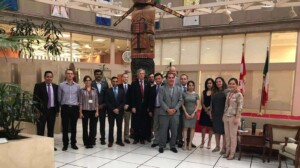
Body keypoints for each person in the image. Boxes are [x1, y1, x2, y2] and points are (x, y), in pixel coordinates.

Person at [33, 71, 59, 151]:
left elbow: (57, 99)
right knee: (40, 129)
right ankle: (40, 146)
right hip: (41, 112)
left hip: (52, 111)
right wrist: (36, 111)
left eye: (50, 77)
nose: (49, 78)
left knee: (51, 129)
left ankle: (50, 145)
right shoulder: (38, 86)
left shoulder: (55, 86)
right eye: (47, 76)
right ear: (44, 77)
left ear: (52, 77)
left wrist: (57, 110)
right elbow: (35, 99)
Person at [158, 72, 183, 153]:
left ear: (174, 79)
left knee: (174, 130)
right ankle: (162, 145)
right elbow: (161, 100)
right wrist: (167, 109)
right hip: (164, 113)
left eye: (172, 77)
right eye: (169, 77)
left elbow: (180, 100)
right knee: (163, 130)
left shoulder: (179, 89)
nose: (171, 79)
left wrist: (175, 109)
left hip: (175, 113)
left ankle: (172, 146)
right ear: (166, 78)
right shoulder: (162, 88)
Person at [58, 69, 81, 151]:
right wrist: (62, 106)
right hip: (65, 107)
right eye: (68, 73)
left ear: (73, 75)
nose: (70, 75)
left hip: (74, 108)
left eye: (71, 74)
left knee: (74, 127)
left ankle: (73, 143)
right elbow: (59, 98)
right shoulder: (61, 85)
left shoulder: (77, 86)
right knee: (65, 127)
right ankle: (65, 144)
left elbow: (79, 97)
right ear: (65, 75)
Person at [223, 78, 243, 160]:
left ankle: (232, 153)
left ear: (236, 85)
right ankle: (227, 151)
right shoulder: (228, 94)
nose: (231, 85)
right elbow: (226, 106)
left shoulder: (239, 94)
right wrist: (223, 115)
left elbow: (240, 107)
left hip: (233, 117)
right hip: (226, 116)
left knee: (233, 136)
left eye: (233, 84)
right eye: (230, 84)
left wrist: (237, 117)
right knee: (227, 136)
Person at [130, 68, 151, 144]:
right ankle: (136, 138)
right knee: (136, 123)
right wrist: (133, 106)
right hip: (136, 107)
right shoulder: (134, 83)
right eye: (140, 73)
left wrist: (149, 107)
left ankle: (142, 138)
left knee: (143, 123)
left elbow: (149, 96)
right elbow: (132, 96)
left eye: (143, 73)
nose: (142, 75)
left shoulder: (147, 83)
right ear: (138, 75)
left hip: (145, 108)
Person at [79, 75, 99, 149]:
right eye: (86, 80)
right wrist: (80, 112)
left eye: (89, 80)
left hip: (93, 111)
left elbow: (97, 102)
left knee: (92, 127)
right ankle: (86, 142)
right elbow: (80, 102)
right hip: (85, 110)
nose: (88, 82)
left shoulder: (95, 90)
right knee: (85, 127)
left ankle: (91, 141)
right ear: (84, 81)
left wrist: (97, 111)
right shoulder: (81, 90)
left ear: (91, 81)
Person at [106, 77, 126, 147]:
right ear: (111, 82)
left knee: (119, 126)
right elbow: (107, 102)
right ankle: (110, 141)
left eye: (116, 81)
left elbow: (123, 102)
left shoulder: (122, 90)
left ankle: (119, 140)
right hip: (111, 112)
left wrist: (118, 109)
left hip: (119, 112)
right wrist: (113, 109)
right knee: (111, 127)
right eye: (113, 81)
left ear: (118, 82)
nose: (115, 83)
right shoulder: (108, 91)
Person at [211, 77, 228, 154]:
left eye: (220, 81)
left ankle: (224, 148)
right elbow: (212, 103)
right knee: (216, 131)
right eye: (217, 82)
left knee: (224, 131)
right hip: (215, 114)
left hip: (223, 113)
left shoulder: (227, 91)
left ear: (223, 82)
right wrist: (211, 112)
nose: (218, 83)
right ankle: (217, 146)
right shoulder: (214, 91)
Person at [92, 69, 109, 145]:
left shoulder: (105, 84)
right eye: (97, 74)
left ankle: (102, 139)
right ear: (94, 75)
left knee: (102, 124)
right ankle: (93, 138)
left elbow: (108, 95)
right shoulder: (91, 83)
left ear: (102, 75)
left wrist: (103, 104)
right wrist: (95, 106)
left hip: (102, 107)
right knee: (93, 124)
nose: (98, 75)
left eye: (100, 74)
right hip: (93, 108)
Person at [181, 80, 200, 150]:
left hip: (193, 114)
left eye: (192, 85)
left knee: (192, 128)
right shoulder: (184, 94)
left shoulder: (196, 94)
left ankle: (190, 143)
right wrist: (185, 112)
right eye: (189, 85)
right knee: (185, 128)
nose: (191, 87)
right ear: (187, 86)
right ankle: (185, 143)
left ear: (194, 86)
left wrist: (194, 113)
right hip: (185, 113)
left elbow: (198, 105)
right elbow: (182, 104)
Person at [148, 73, 164, 147]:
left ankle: (163, 141)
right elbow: (150, 100)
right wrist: (150, 110)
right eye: (156, 79)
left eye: (159, 78)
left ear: (162, 79)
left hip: (163, 109)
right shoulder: (152, 88)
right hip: (155, 109)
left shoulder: (165, 87)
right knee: (155, 126)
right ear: (154, 79)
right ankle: (156, 140)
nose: (158, 80)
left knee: (163, 126)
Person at [199, 78, 214, 149]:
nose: (209, 84)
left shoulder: (214, 92)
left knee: (211, 127)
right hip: (204, 111)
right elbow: (202, 102)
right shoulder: (203, 92)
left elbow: (214, 102)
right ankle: (202, 141)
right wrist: (206, 110)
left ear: (212, 84)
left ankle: (209, 142)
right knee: (203, 127)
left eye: (210, 83)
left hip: (211, 111)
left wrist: (209, 110)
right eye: (208, 83)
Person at [118, 73, 132, 144]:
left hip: (128, 108)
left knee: (127, 123)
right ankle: (119, 138)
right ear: (122, 78)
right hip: (120, 108)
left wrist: (128, 104)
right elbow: (117, 98)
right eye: (124, 77)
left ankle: (126, 137)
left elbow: (132, 97)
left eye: (127, 77)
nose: (125, 78)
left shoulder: (130, 87)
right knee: (119, 123)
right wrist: (122, 105)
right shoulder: (118, 86)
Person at [177, 74, 188, 148]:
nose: (183, 80)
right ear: (180, 80)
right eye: (182, 79)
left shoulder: (190, 87)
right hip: (179, 109)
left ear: (187, 79)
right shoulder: (177, 88)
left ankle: (188, 140)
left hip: (188, 109)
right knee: (179, 126)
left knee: (188, 126)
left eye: (184, 79)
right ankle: (180, 140)